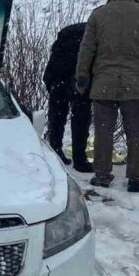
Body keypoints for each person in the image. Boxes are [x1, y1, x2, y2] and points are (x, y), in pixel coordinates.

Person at [76, 0, 139, 193]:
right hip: (134, 84)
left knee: (103, 131)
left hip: (103, 82)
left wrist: (82, 75)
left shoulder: (99, 14)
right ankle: (136, 178)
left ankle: (103, 175)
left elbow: (87, 49)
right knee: (135, 132)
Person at [42, 23, 94, 172]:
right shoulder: (92, 34)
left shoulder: (66, 34)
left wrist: (50, 81)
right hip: (79, 81)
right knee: (81, 120)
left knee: (57, 117)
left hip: (58, 79)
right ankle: (79, 159)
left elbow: (53, 59)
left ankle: (55, 150)